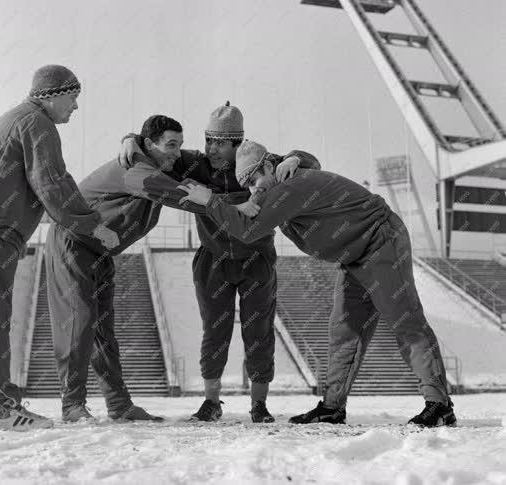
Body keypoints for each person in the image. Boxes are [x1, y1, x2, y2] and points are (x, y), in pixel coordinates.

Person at [177, 140, 456, 428]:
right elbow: (303, 164)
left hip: (380, 240)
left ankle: (439, 405)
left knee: (404, 320)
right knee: (344, 329)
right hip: (354, 255)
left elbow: (248, 230)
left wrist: (209, 201)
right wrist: (295, 157)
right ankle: (332, 407)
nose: (253, 189)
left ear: (269, 165)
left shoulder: (286, 188)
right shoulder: (280, 178)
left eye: (254, 180)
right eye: (246, 185)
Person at [119, 102, 320, 423]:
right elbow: (151, 147)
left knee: (259, 331)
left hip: (257, 260)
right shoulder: (194, 164)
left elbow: (308, 162)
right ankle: (211, 402)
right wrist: (129, 138)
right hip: (213, 260)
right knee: (215, 332)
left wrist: (298, 158)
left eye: (220, 143)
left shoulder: (259, 163)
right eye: (208, 140)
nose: (211, 148)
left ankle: (259, 405)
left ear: (237, 143)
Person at [0, 65, 118, 431]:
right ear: (53, 96)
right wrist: (93, 226)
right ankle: (2, 408)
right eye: (73, 98)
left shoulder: (20, 118)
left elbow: (50, 181)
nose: (75, 107)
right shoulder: (38, 124)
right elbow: (52, 182)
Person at [46, 114, 222, 422]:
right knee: (78, 323)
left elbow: (204, 160)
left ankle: (119, 405)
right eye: (171, 145)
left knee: (103, 329)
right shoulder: (137, 171)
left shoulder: (160, 159)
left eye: (179, 145)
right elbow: (178, 197)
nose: (177, 153)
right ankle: (72, 404)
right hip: (72, 241)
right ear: (151, 144)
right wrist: (230, 209)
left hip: (100, 251)